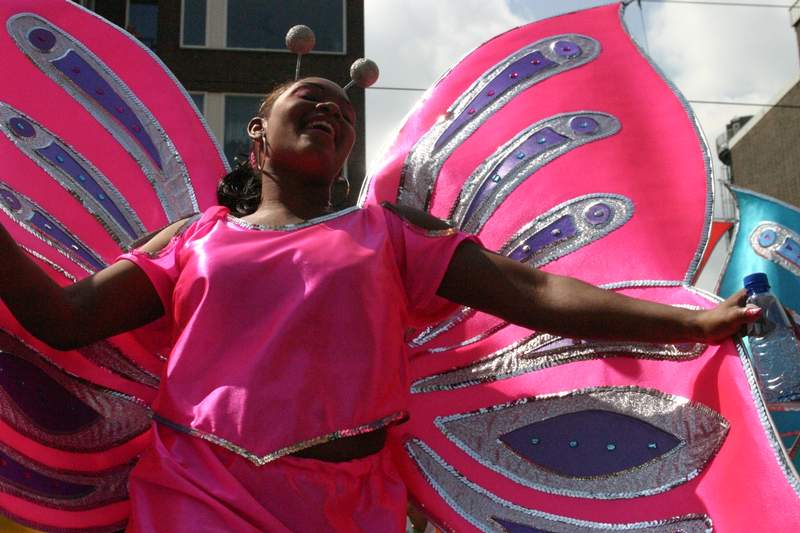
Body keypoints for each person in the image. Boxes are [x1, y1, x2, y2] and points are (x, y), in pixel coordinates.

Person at [0, 77, 760, 532]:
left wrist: (693, 324)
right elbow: (61, 319)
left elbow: (533, 293)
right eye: (311, 99)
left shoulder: (389, 231)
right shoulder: (197, 238)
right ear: (257, 132)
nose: (331, 112)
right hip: (199, 490)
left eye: (343, 112)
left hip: (351, 504)